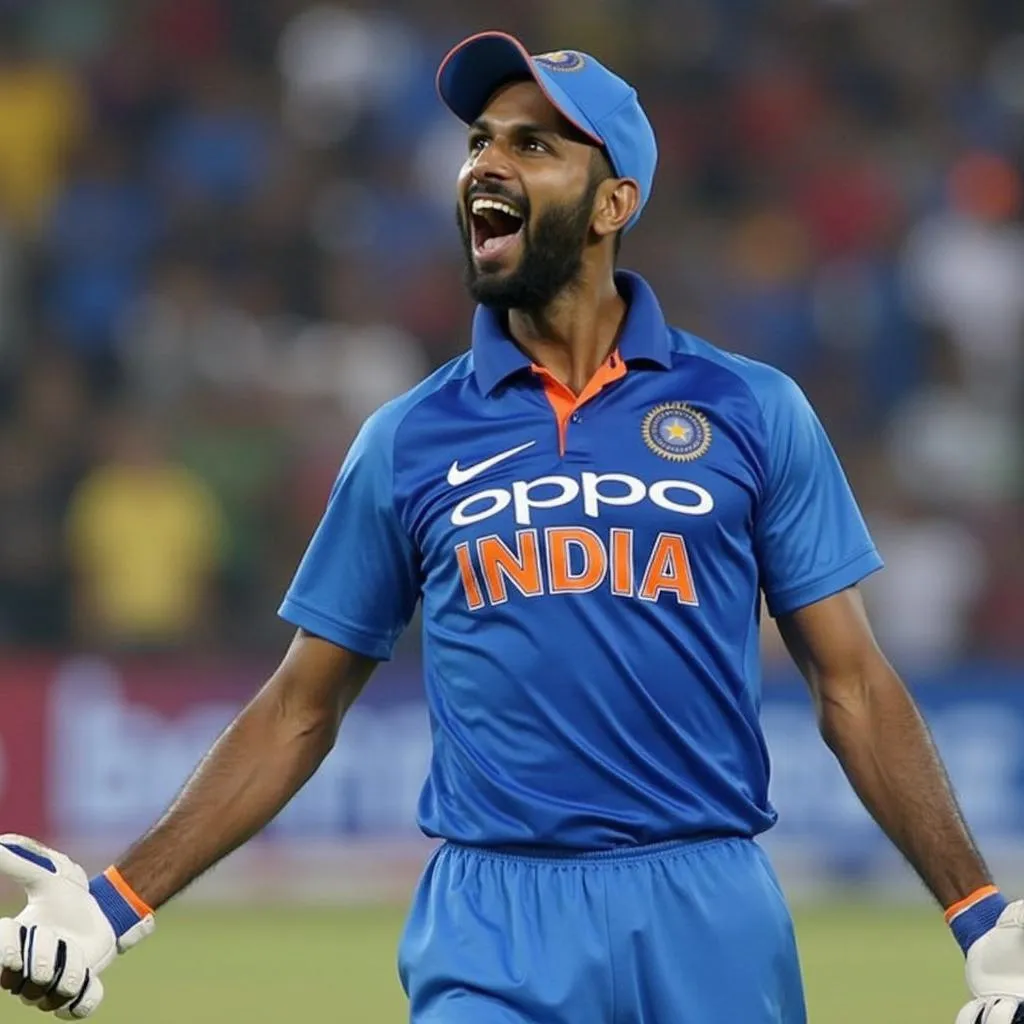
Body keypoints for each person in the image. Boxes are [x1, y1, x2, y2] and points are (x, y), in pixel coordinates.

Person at [0, 30, 1021, 1024]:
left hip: (708, 907)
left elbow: (851, 682)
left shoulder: (752, 411)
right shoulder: (407, 437)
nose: (486, 162)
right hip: (492, 920)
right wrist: (112, 907)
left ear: (614, 202)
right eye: (479, 141)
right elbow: (298, 708)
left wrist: (981, 918)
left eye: (532, 144)